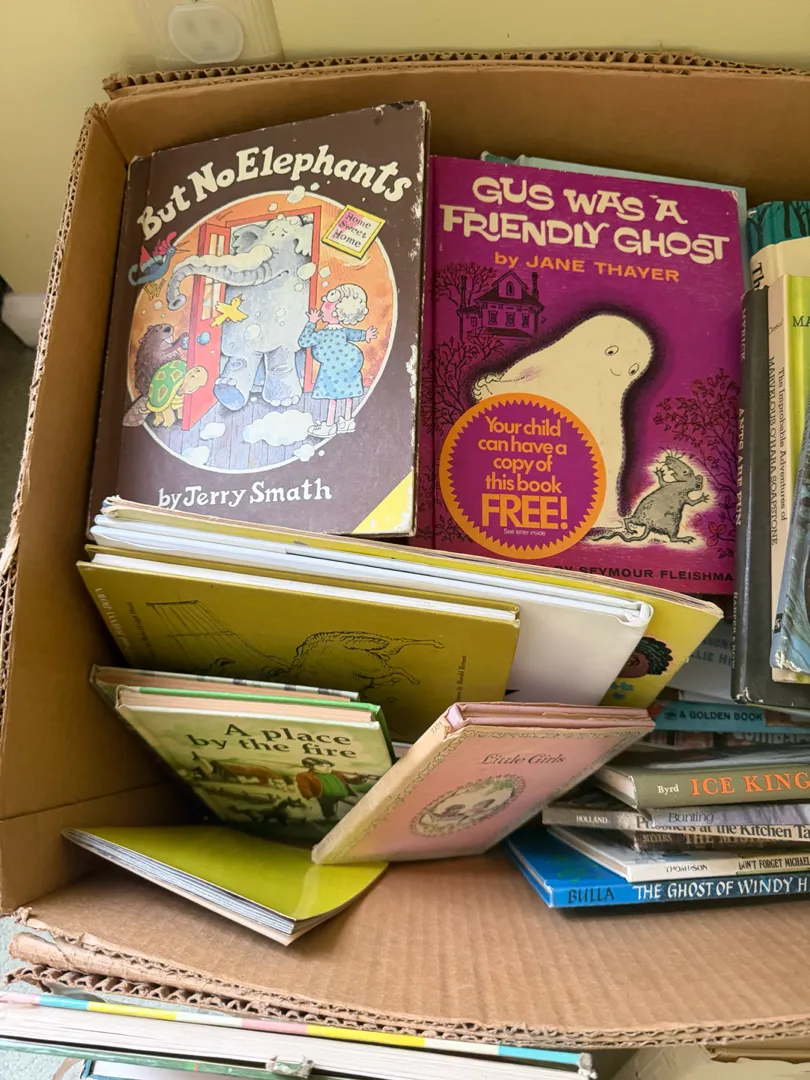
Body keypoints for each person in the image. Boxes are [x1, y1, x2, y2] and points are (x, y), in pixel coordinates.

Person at [297, 283, 378, 437]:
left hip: (332, 371)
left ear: (336, 312)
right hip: (349, 367)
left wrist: (312, 322)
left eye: (326, 305)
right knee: (347, 395)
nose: (322, 307)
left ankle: (329, 425)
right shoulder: (342, 331)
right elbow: (355, 334)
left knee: (333, 398)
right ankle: (347, 421)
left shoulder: (323, 334)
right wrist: (366, 335)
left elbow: (304, 341)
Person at [294, 756, 377, 821]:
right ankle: (331, 819)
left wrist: (360, 778)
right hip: (325, 797)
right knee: (329, 812)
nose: (327, 767)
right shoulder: (304, 775)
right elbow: (304, 787)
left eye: (328, 765)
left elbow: (350, 781)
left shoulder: (336, 773)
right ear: (310, 766)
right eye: (321, 765)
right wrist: (309, 796)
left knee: (357, 805)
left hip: (344, 794)